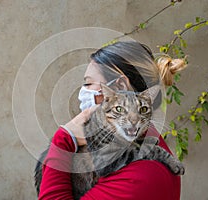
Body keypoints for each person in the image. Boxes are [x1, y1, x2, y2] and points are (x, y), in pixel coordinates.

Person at [38, 41, 187, 200]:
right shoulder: (147, 138)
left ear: (119, 86)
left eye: (89, 83)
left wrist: (64, 137)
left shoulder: (137, 177)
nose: (83, 92)